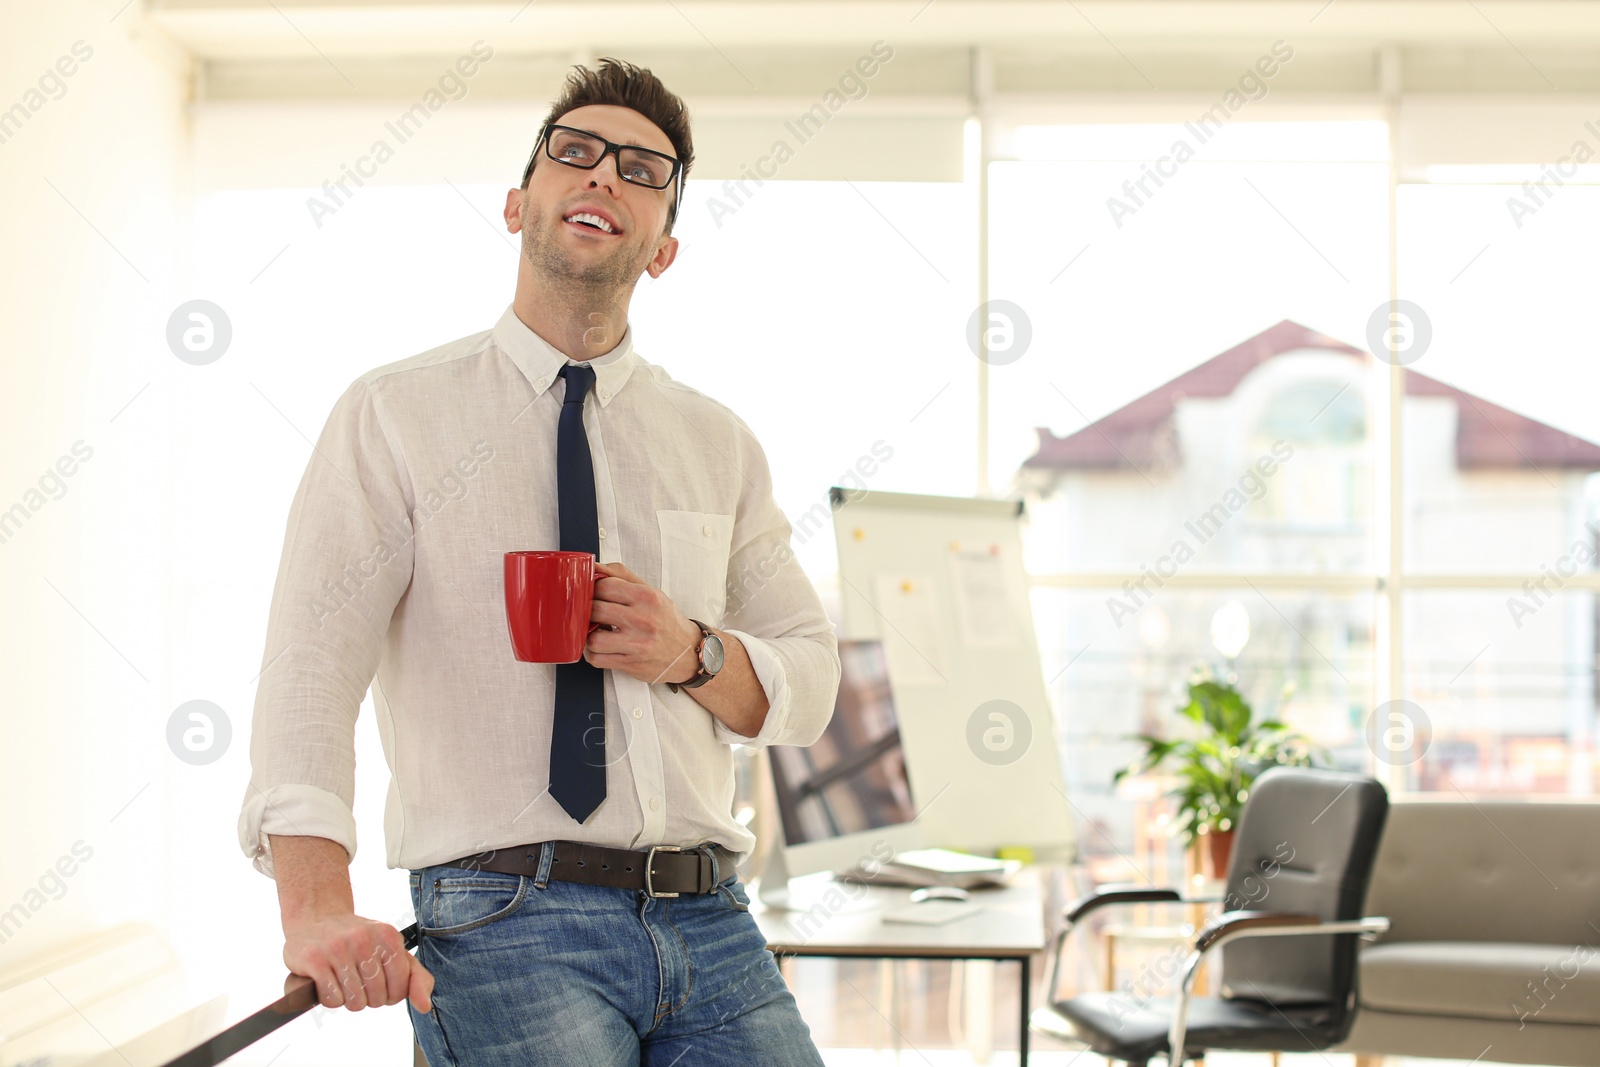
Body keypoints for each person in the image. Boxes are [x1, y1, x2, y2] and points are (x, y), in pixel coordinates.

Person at [237, 56, 840, 1066]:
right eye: (576, 154)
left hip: (710, 919)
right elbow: (308, 673)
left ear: (665, 250)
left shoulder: (717, 439)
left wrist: (691, 649)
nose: (605, 175)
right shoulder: (393, 414)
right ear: (518, 205)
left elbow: (809, 681)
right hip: (504, 917)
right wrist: (315, 911)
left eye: (643, 170)